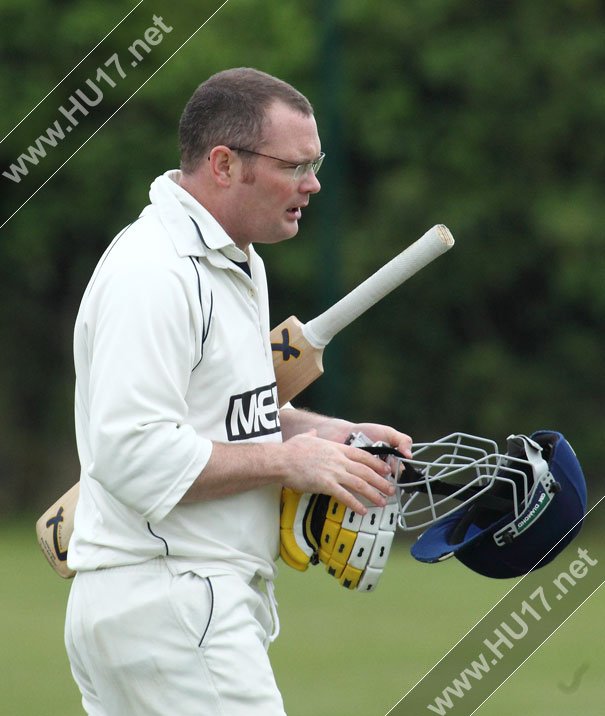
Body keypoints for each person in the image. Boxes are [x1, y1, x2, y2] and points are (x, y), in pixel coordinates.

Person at [64, 67, 413, 716]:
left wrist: (320, 435)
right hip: (171, 602)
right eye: (295, 165)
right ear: (224, 164)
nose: (312, 184)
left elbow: (226, 414)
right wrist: (287, 463)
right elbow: (132, 453)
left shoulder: (235, 258)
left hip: (171, 609)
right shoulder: (154, 272)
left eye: (317, 163)